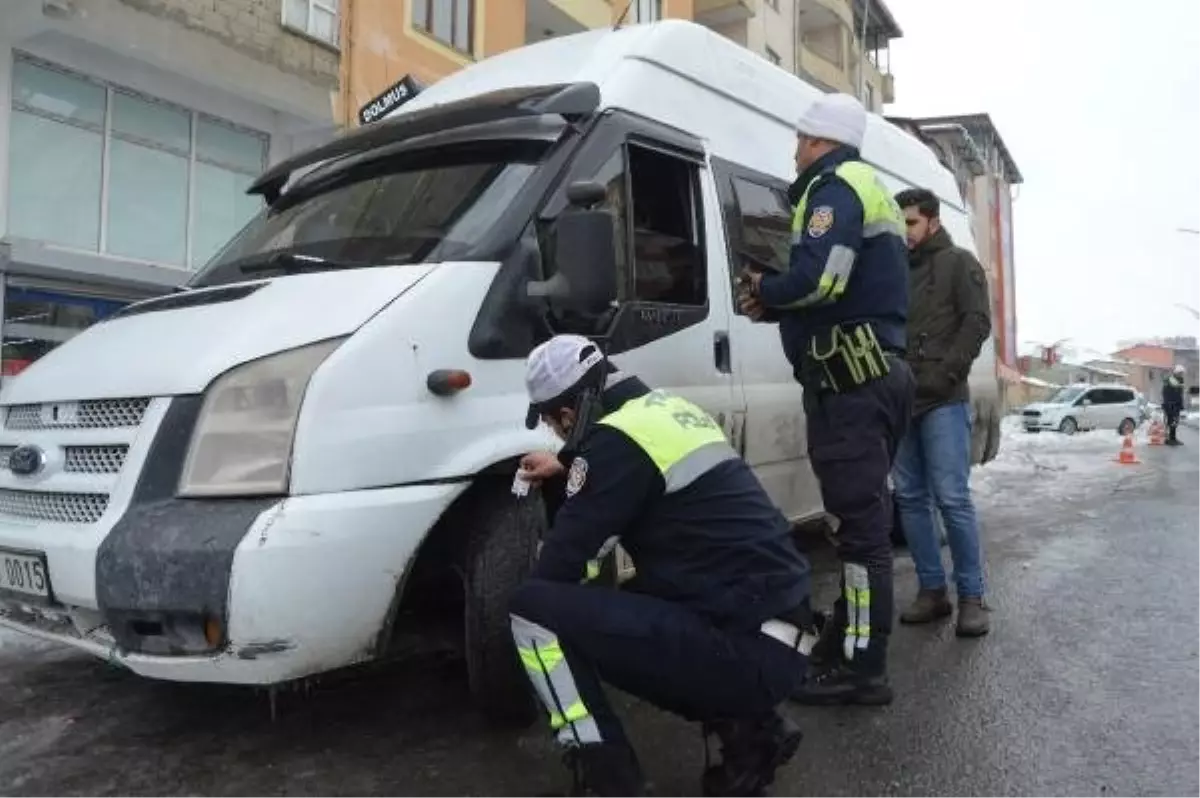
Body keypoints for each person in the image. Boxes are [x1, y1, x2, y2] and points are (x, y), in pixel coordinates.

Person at [510, 334, 817, 798]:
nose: (557, 435)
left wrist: (572, 484)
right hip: (783, 632)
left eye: (555, 425)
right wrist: (569, 465)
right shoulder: (662, 410)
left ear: (568, 415)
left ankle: (610, 781)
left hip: (742, 654)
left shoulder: (610, 449)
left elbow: (560, 573)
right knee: (647, 593)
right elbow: (627, 464)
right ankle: (753, 732)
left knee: (532, 610)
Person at [738, 93, 914, 706]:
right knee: (861, 523)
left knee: (860, 535)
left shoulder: (834, 185)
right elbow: (845, 291)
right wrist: (779, 307)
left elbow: (821, 280)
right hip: (876, 373)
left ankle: (862, 668)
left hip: (851, 384)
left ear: (818, 140)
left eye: (800, 138)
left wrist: (768, 287)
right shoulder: (870, 187)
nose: (794, 149)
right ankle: (850, 638)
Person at [890, 188, 993, 638]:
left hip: (943, 399)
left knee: (952, 498)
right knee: (910, 498)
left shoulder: (960, 263)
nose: (905, 232)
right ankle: (933, 591)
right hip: (900, 396)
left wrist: (945, 374)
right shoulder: (892, 267)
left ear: (931, 221)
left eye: (911, 223)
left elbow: (977, 323)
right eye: (901, 224)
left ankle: (971, 596)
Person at [1163, 364, 1186, 446]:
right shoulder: (1170, 380)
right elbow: (1166, 393)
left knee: (1174, 422)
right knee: (1171, 422)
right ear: (1176, 372)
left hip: (1176, 405)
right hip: (1170, 404)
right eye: (1180, 373)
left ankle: (1172, 438)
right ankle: (1169, 439)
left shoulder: (1180, 380)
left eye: (1182, 373)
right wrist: (1168, 404)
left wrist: (1181, 405)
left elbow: (1180, 394)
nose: (1181, 374)